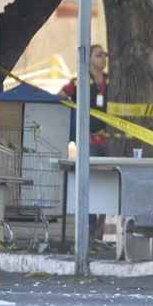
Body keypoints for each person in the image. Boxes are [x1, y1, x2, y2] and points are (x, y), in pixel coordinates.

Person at [58, 44, 109, 241]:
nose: (103, 59)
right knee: (91, 181)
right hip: (89, 141)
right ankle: (90, 224)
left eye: (104, 55)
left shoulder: (110, 81)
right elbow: (62, 95)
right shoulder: (80, 80)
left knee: (108, 182)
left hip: (110, 140)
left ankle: (100, 227)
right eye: (98, 55)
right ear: (90, 59)